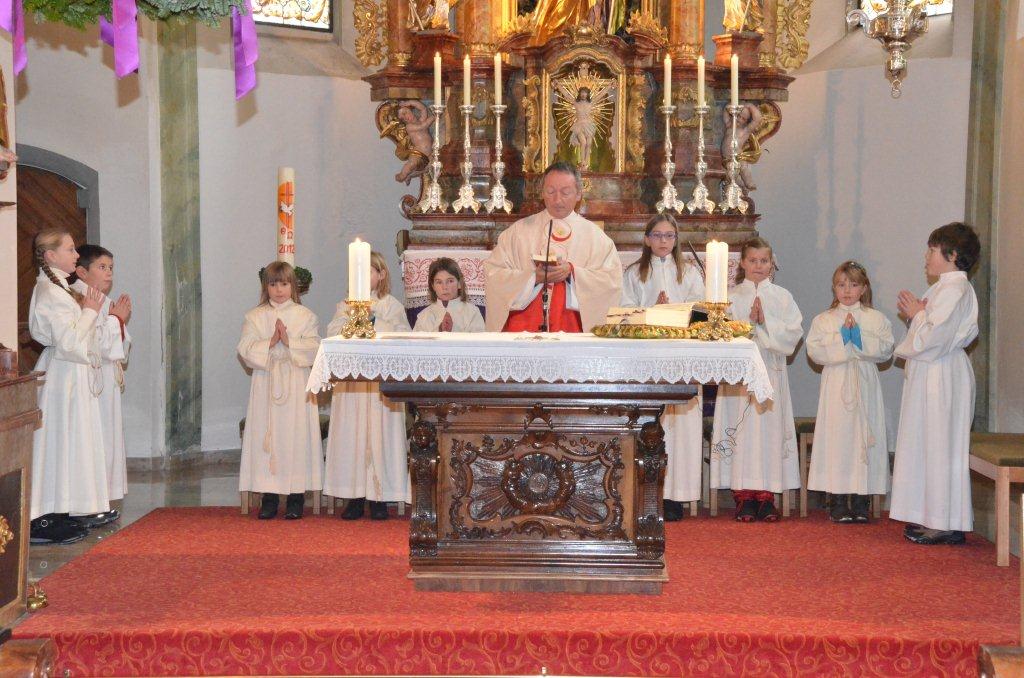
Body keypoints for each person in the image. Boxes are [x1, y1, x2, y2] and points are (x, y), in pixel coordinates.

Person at [891, 222, 981, 545]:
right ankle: (933, 516)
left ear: (952, 255)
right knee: (928, 443)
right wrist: (917, 314)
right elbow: (928, 331)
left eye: (932, 250)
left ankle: (944, 523)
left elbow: (935, 338)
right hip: (933, 373)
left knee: (940, 445)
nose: (926, 256)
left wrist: (917, 314)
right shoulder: (944, 287)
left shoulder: (956, 289)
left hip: (943, 374)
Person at [710, 237, 803, 522]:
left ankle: (766, 497)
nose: (758, 266)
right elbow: (719, 333)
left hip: (770, 373)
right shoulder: (730, 297)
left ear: (772, 263)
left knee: (769, 432)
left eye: (764, 261)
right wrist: (748, 324)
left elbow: (793, 333)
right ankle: (743, 497)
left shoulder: (783, 297)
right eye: (753, 260)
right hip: (740, 380)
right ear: (742, 263)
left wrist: (765, 323)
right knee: (742, 432)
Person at [621, 214, 704, 521]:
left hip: (681, 355)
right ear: (647, 239)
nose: (663, 241)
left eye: (669, 235)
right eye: (657, 235)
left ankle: (676, 495)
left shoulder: (689, 272)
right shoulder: (634, 272)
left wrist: (674, 312)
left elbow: (702, 313)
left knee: (681, 426)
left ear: (676, 239)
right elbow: (624, 314)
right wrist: (652, 311)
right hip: (647, 356)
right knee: (651, 423)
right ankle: (646, 492)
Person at [28, 229, 107, 545]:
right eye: (71, 249)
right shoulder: (50, 292)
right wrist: (90, 311)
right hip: (62, 376)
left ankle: (63, 508)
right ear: (51, 255)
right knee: (57, 442)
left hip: (71, 376)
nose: (76, 255)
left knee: (70, 441)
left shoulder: (59, 288)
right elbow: (69, 342)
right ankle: (44, 515)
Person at [484, 161, 622, 332]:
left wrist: (572, 273)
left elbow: (611, 282)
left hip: (572, 328)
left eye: (565, 192)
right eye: (550, 192)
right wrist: (532, 278)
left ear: (578, 194)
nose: (557, 200)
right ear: (542, 193)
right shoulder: (517, 232)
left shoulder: (596, 238)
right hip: (524, 327)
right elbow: (494, 274)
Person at [325, 252, 413, 520]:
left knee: (380, 436)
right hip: (353, 385)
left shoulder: (392, 305)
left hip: (380, 386)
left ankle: (379, 497)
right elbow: (332, 333)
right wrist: (354, 321)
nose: (363, 277)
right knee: (353, 437)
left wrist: (375, 320)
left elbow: (404, 336)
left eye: (369, 271)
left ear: (382, 274)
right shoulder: (345, 305)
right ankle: (354, 497)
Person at [806, 261, 894, 523]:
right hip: (837, 385)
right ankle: (837, 499)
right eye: (841, 285)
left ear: (863, 288)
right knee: (839, 438)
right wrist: (842, 339)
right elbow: (815, 351)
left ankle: (860, 500)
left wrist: (859, 338)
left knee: (862, 438)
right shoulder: (824, 319)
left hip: (865, 384)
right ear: (834, 288)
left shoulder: (876, 318)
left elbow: (886, 349)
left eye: (853, 285)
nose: (847, 290)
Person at [237, 262, 324, 520]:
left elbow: (316, 348)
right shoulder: (254, 316)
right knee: (268, 437)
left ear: (292, 286)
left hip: (296, 383)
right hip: (266, 383)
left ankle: (296, 498)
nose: (278, 290)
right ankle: (269, 498)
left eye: (284, 284)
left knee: (295, 437)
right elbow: (244, 349)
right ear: (266, 287)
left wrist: (289, 342)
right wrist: (270, 342)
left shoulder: (305, 316)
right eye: (273, 284)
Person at [70, 244, 132, 525]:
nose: (109, 273)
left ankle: (101, 499)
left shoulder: (103, 300)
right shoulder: (78, 297)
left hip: (105, 380)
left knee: (106, 439)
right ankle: (87, 503)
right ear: (82, 272)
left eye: (111, 268)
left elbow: (121, 346)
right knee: (93, 441)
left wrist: (118, 321)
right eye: (102, 267)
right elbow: (94, 343)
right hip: (90, 380)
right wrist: (117, 320)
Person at [413, 257, 485, 332]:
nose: (444, 287)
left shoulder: (472, 312)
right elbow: (417, 339)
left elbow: (479, 338)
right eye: (439, 282)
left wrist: (454, 329)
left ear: (459, 283)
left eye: (450, 281)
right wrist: (439, 330)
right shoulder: (423, 316)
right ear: (433, 286)